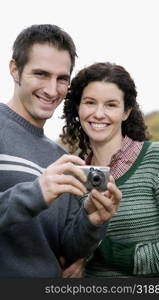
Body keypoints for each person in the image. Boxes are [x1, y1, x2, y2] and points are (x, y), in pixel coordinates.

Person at [0, 26, 121, 277]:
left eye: (62, 78)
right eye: (41, 74)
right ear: (15, 70)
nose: (52, 90)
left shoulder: (60, 157)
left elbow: (67, 248)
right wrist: (37, 192)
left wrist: (92, 220)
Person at [61, 62, 159, 277]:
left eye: (111, 105)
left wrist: (99, 250)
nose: (99, 114)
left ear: (126, 111)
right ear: (78, 108)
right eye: (90, 102)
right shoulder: (72, 175)